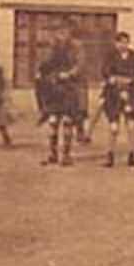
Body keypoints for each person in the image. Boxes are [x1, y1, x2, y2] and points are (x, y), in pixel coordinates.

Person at [40, 26, 85, 166]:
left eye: (64, 33)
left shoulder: (77, 47)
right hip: (54, 87)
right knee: (52, 121)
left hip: (71, 86)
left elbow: (81, 64)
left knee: (68, 121)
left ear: (70, 34)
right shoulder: (52, 47)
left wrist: (70, 73)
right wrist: (45, 73)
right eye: (59, 33)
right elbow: (45, 64)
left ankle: (66, 154)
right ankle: (52, 153)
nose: (62, 36)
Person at [102, 32, 134, 168]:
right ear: (116, 43)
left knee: (131, 126)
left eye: (125, 42)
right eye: (120, 42)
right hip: (113, 94)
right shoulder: (110, 56)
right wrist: (113, 79)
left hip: (132, 93)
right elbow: (105, 71)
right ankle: (110, 155)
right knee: (114, 127)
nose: (123, 45)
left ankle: (132, 156)